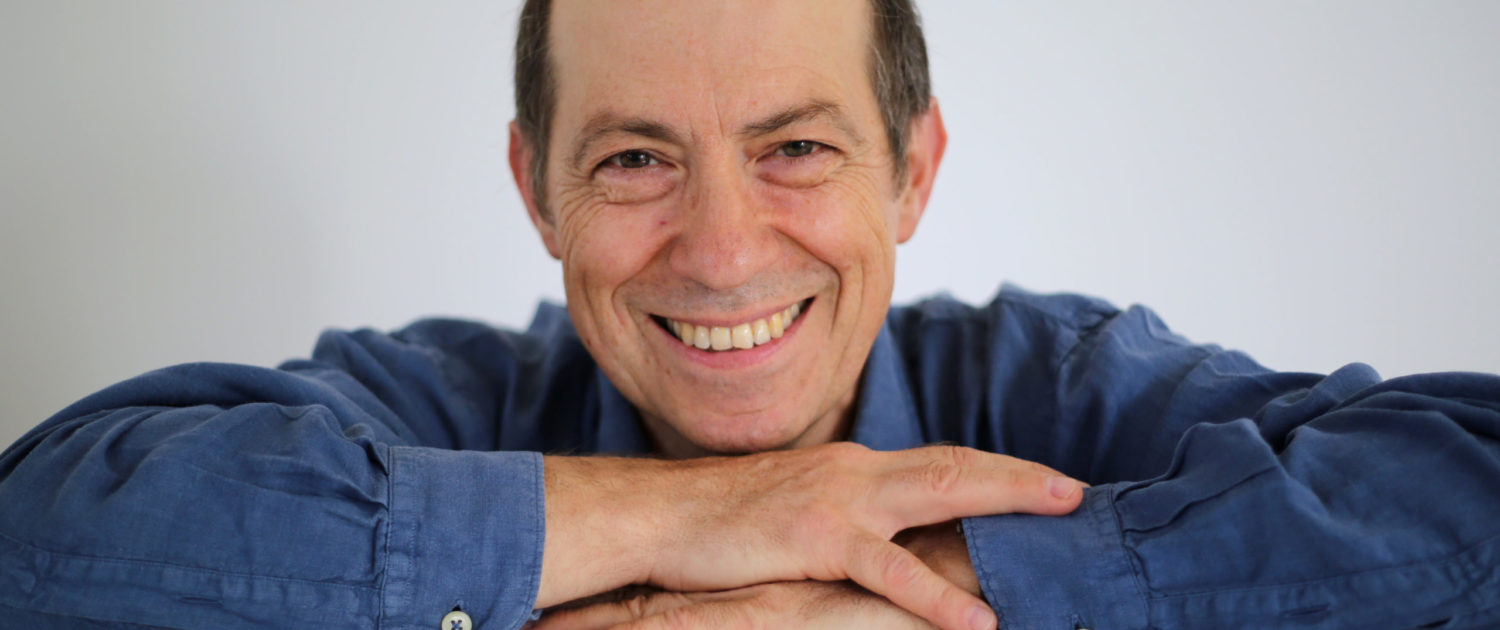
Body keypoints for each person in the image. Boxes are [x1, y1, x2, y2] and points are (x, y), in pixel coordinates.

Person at [2, 1, 1498, 628]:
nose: (721, 252)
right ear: (537, 190)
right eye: (634, 160)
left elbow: (1469, 472)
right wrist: (702, 519)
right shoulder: (437, 407)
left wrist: (922, 588)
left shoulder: (1066, 386)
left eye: (796, 147)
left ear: (913, 170)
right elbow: (42, 527)